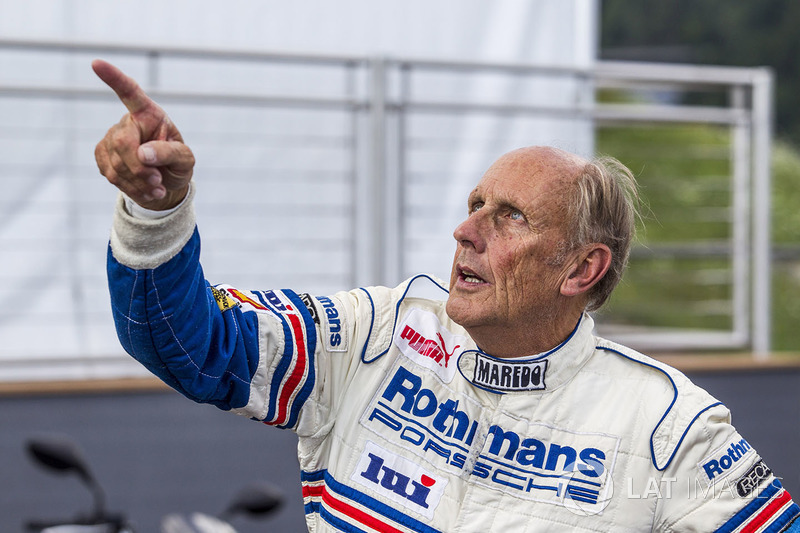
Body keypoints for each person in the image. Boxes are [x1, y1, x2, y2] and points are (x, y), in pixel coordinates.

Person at [93, 58, 799, 532]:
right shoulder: (376, 333)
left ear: (582, 268)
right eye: (474, 204)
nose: (465, 231)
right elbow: (191, 343)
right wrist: (156, 213)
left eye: (509, 216)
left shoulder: (667, 428)